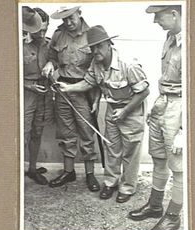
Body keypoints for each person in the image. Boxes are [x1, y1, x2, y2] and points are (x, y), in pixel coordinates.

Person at [56, 25, 150, 203]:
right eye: (92, 47)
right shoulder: (96, 63)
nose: (95, 51)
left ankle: (127, 187)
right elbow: (88, 83)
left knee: (130, 152)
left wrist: (125, 110)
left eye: (99, 46)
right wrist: (68, 88)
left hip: (131, 110)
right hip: (113, 110)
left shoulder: (128, 64)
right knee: (112, 149)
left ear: (109, 44)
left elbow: (144, 92)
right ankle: (110, 183)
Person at [128, 5, 184, 230]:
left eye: (158, 17)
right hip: (164, 102)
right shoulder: (170, 38)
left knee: (178, 166)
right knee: (158, 158)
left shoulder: (192, 42)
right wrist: (158, 107)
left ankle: (173, 215)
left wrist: (184, 129)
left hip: (180, 107)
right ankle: (155, 205)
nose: (155, 23)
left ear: (174, 13)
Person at [41, 6, 100, 192]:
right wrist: (51, 63)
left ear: (80, 14)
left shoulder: (92, 35)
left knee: (86, 133)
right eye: (64, 19)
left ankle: (90, 174)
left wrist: (97, 98)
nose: (68, 22)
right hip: (62, 90)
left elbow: (99, 68)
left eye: (71, 18)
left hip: (84, 90)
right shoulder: (58, 34)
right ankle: (69, 171)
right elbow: (52, 56)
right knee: (66, 133)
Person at [22, 6, 54, 185]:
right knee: (23, 134)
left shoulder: (48, 44)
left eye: (46, 29)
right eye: (40, 30)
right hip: (26, 94)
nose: (42, 33)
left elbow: (55, 58)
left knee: (37, 131)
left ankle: (32, 169)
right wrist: (29, 85)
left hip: (44, 93)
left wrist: (51, 62)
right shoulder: (21, 44)